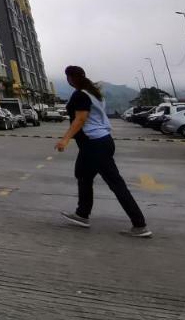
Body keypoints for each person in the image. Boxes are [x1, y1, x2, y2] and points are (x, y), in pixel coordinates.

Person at [56, 64, 151, 238]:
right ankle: (82, 214)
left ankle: (140, 225)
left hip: (95, 144)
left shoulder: (80, 94)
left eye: (68, 77)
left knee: (115, 183)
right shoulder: (93, 93)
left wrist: (65, 138)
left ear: (70, 78)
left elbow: (81, 119)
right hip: (98, 142)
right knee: (83, 175)